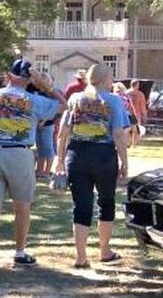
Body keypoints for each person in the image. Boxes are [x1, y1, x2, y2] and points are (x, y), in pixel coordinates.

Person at [0, 58, 65, 275]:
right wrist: (45, 85)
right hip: (19, 153)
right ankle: (19, 252)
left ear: (9, 75)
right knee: (22, 206)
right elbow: (64, 104)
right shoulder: (34, 100)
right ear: (30, 79)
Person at [52, 63, 129, 269]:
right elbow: (118, 133)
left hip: (76, 154)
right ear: (104, 79)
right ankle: (104, 251)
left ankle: (81, 256)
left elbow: (63, 133)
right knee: (106, 202)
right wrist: (124, 162)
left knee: (81, 205)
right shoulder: (113, 100)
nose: (112, 81)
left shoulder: (75, 98)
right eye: (111, 77)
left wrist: (59, 159)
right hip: (104, 155)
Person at [127, 80, 148, 147]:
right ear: (137, 85)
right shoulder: (140, 94)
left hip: (127, 114)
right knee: (136, 131)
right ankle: (134, 144)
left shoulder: (126, 93)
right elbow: (142, 106)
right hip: (137, 115)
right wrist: (144, 115)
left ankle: (128, 143)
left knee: (127, 130)